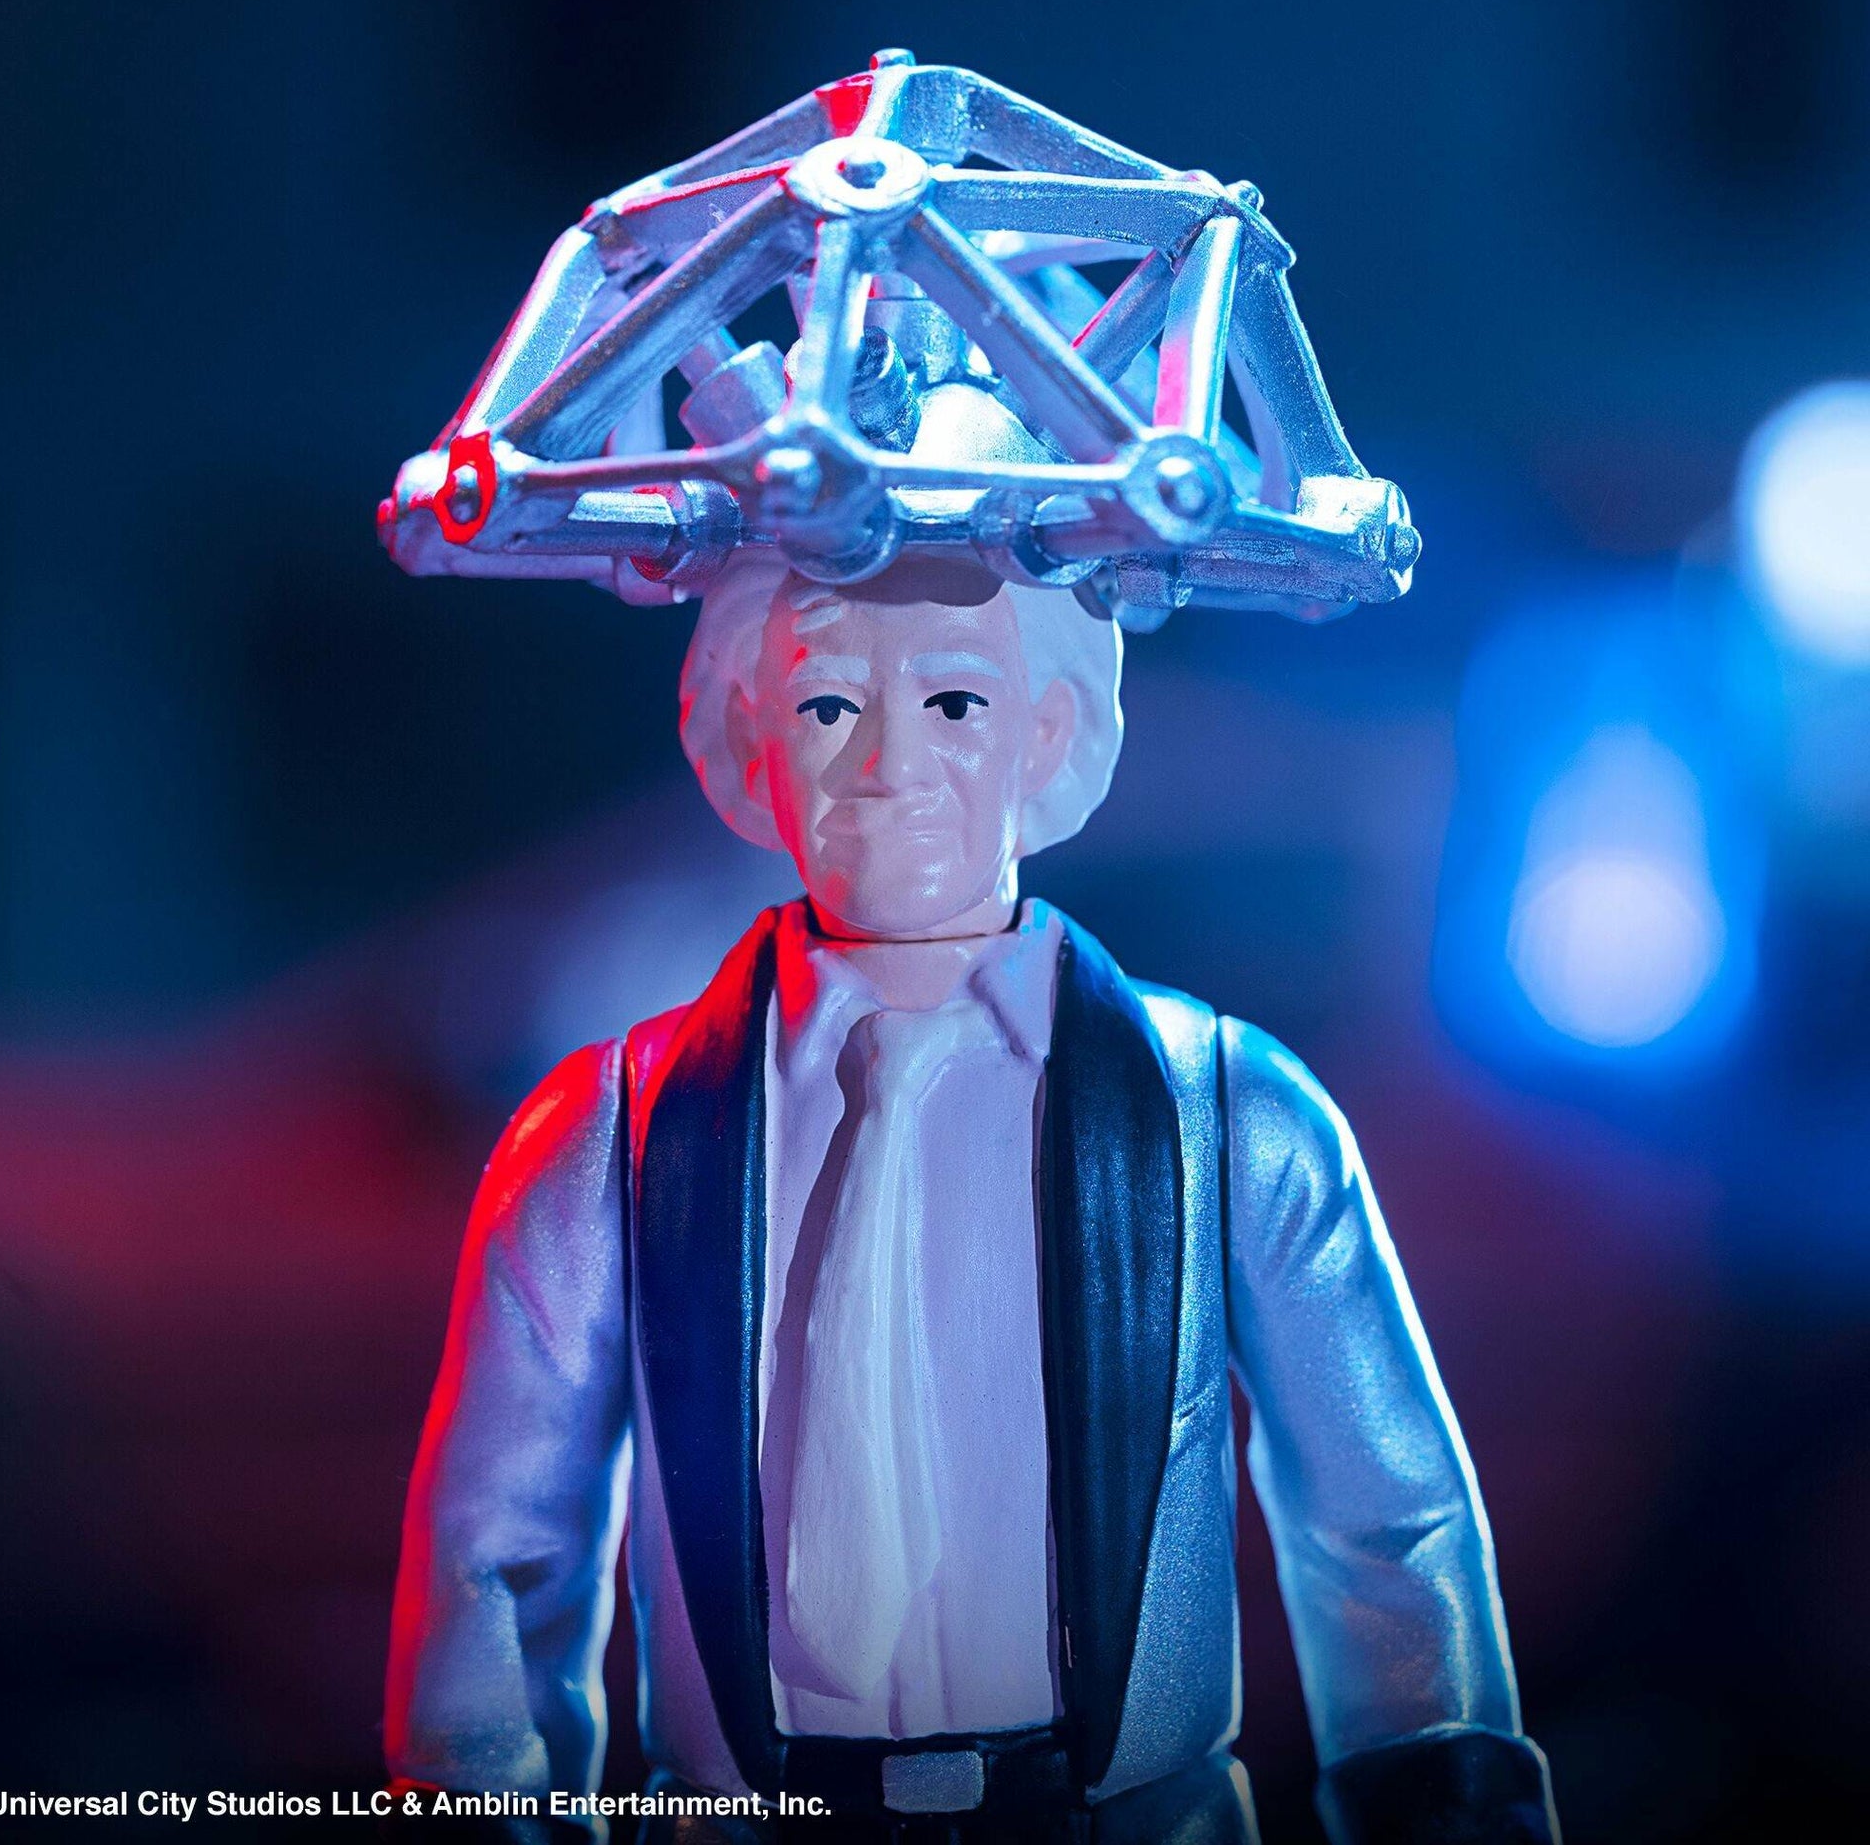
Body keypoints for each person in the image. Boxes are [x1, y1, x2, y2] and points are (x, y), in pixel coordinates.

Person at [384, 544, 1559, 1844]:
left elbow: (1384, 1515)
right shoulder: (610, 1133)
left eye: (954, 702)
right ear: (749, 736)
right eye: (828, 703)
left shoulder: (1227, 1113)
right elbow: (501, 1543)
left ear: (1046, 731)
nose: (890, 764)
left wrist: (1446, 1792)